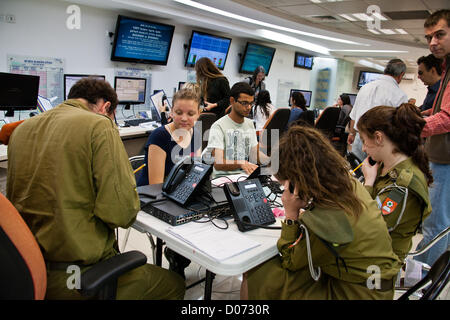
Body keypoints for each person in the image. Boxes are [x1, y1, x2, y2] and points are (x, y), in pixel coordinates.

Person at [6, 78, 185, 300]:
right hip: (77, 276)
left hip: (29, 272)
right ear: (106, 107)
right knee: (173, 284)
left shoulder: (22, 130)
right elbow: (122, 213)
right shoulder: (99, 124)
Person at [241, 126, 402, 300]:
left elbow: (291, 260)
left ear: (297, 181)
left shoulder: (328, 218)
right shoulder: (349, 184)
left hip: (357, 294)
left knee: (257, 271)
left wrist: (291, 214)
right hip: (376, 284)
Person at [357, 104, 432, 263]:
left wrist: (368, 183)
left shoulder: (402, 184)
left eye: (364, 140)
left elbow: (369, 227)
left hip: (378, 265)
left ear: (378, 137)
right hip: (370, 251)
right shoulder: (385, 166)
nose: (363, 148)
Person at [414, 9, 450, 267]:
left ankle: (424, 282)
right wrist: (422, 113)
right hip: (440, 156)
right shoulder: (447, 68)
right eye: (429, 37)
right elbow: (441, 110)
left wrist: (409, 126)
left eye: (440, 35)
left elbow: (447, 118)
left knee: (435, 224)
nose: (433, 42)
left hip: (444, 160)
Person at [137, 87, 201, 186]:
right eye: (179, 113)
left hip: (178, 191)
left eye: (190, 114)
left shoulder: (195, 133)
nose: (184, 118)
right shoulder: (159, 136)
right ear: (171, 112)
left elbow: (195, 174)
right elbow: (156, 185)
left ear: (198, 114)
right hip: (153, 196)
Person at [347, 59, 409, 161]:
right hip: (380, 142)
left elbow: (354, 115)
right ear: (401, 75)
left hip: (360, 138)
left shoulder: (365, 88)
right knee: (376, 175)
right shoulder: (399, 95)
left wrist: (352, 133)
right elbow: (400, 125)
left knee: (357, 172)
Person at [207, 82, 268, 178]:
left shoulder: (249, 123)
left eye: (251, 103)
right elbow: (218, 163)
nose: (248, 107)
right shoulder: (218, 126)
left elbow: (255, 154)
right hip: (222, 179)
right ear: (232, 101)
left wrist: (272, 159)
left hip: (244, 176)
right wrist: (240, 163)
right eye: (244, 103)